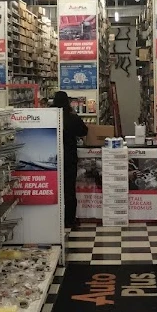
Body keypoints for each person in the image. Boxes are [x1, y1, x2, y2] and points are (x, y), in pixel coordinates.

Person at [52, 90, 87, 228]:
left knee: (54, 189)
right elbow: (84, 131)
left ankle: (55, 219)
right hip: (69, 157)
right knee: (69, 190)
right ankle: (69, 220)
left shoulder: (51, 116)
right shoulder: (72, 117)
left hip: (53, 158)